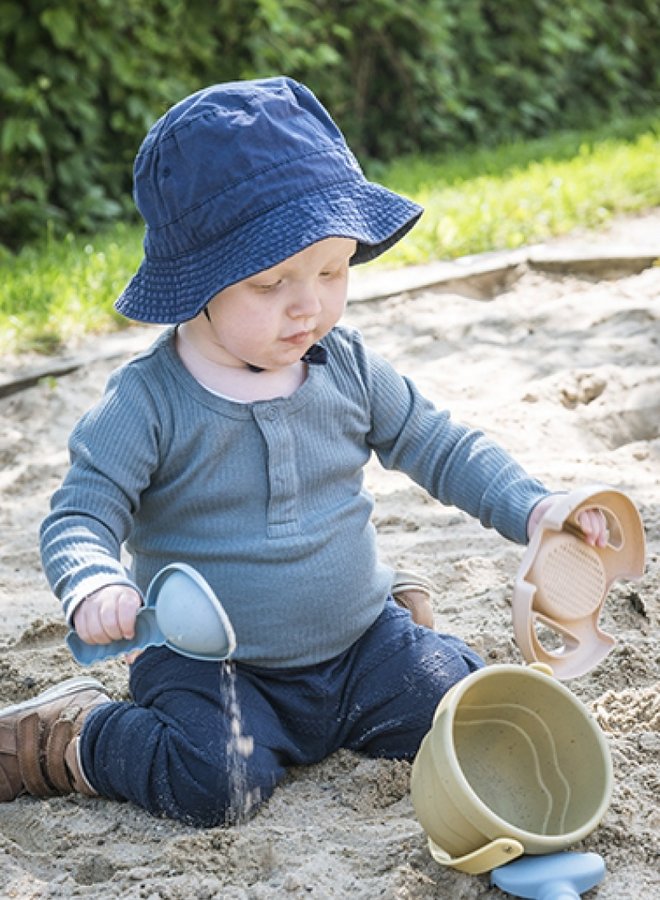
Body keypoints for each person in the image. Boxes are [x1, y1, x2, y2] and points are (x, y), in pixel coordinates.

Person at [0, 77, 608, 826]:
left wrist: (536, 507)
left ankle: (396, 608)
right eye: (270, 281)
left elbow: (442, 445)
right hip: (214, 666)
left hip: (358, 643)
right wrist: (94, 582)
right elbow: (78, 517)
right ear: (196, 285)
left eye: (332, 269)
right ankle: (77, 738)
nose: (309, 305)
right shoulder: (149, 402)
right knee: (215, 784)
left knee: (462, 715)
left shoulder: (346, 364)